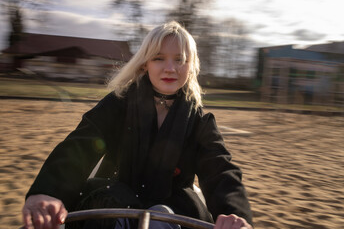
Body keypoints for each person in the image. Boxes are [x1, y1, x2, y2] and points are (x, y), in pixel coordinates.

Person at [22, 21, 253, 229]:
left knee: (163, 218)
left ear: (191, 66)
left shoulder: (199, 120)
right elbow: (80, 145)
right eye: (159, 58)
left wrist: (234, 214)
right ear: (144, 64)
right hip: (115, 200)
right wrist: (48, 191)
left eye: (180, 59)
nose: (170, 68)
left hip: (174, 210)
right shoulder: (118, 104)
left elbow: (219, 170)